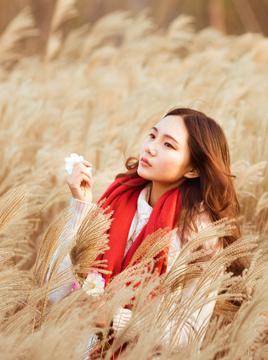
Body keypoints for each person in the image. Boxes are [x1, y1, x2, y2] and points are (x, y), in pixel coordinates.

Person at [45, 107, 245, 355]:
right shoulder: (116, 202)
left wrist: (115, 318)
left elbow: (189, 333)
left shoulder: (200, 236)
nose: (150, 148)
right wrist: (81, 206)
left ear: (192, 170)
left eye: (168, 145)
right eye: (152, 136)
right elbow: (55, 291)